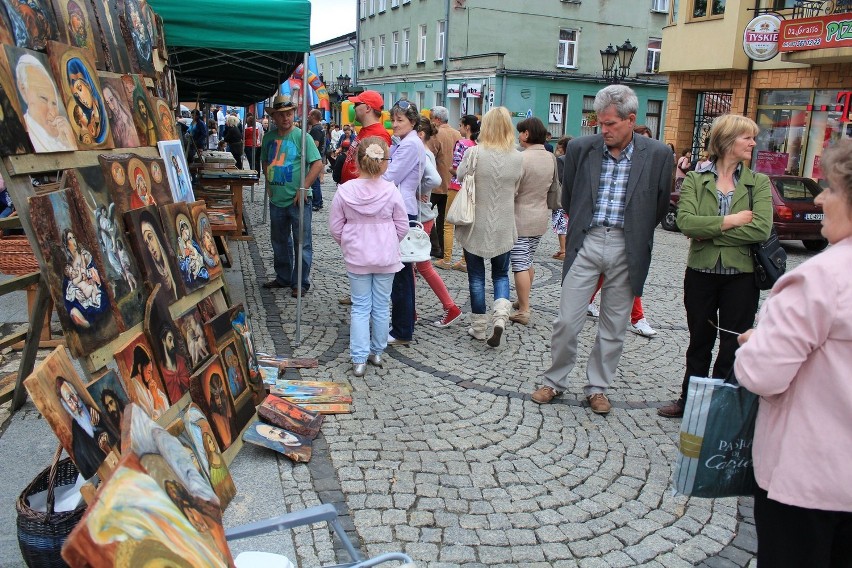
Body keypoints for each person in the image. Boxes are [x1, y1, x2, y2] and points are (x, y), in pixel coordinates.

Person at [733, 138, 852, 567]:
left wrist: (754, 343)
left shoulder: (820, 279)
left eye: (832, 189)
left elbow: (763, 375)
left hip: (810, 479)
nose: (820, 198)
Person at [531, 85, 673, 415]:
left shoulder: (657, 154)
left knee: (614, 325)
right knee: (567, 320)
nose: (603, 130)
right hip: (588, 241)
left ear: (631, 120)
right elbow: (569, 199)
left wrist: (636, 233)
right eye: (600, 123)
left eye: (610, 124)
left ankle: (597, 387)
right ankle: (554, 380)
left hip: (628, 244)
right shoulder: (582, 149)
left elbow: (659, 202)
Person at [657, 114, 772, 418]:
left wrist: (707, 232)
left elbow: (760, 229)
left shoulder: (757, 182)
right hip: (701, 274)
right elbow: (685, 222)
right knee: (699, 341)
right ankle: (688, 400)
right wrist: (731, 221)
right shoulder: (696, 178)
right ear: (727, 140)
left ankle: (721, 405)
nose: (753, 143)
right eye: (747, 137)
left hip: (742, 277)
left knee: (732, 343)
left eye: (753, 137)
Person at [329, 136, 408, 376]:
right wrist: (388, 239)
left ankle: (359, 358)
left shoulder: (345, 191)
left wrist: (349, 242)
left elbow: (335, 227)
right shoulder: (391, 191)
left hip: (357, 256)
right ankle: (376, 351)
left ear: (356, 161)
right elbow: (402, 225)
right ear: (384, 163)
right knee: (382, 305)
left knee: (360, 306)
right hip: (385, 256)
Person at [455, 107, 523, 348]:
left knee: (476, 276)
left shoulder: (473, 153)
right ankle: (501, 318)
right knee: (501, 274)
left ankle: (479, 326)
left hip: (475, 222)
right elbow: (517, 188)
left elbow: (461, 176)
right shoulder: (517, 157)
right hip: (504, 224)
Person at [259, 95, 323, 296]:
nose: (286, 118)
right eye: (281, 115)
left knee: (301, 241)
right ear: (274, 117)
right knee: (279, 240)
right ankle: (284, 277)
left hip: (299, 199)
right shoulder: (269, 138)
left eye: (289, 113)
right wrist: (268, 184)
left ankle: (300, 282)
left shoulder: (303, 137)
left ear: (293, 114)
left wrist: (303, 187)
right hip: (277, 198)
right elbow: (264, 161)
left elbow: (318, 164)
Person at [381, 100, 430, 345]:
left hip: (402, 210)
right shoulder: (405, 143)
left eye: (401, 120)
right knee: (402, 272)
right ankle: (403, 322)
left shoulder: (410, 144)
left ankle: (402, 329)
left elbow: (391, 175)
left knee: (400, 273)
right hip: (401, 207)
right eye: (394, 119)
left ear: (412, 122)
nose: (395, 124)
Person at [509, 116, 560, 326]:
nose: (519, 136)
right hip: (540, 215)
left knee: (519, 263)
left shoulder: (521, 158)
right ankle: (523, 300)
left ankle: (524, 310)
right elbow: (554, 187)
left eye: (521, 132)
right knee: (528, 260)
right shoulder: (551, 157)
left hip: (520, 216)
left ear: (527, 134)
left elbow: (513, 188)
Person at [414, 117, 463, 327]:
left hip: (421, 217)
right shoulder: (424, 152)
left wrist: (419, 191)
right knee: (415, 268)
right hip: (422, 216)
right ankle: (411, 311)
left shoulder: (423, 153)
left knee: (421, 267)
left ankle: (450, 307)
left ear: (420, 134)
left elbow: (433, 180)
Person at [436, 114, 478, 271]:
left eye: (460, 125)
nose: (459, 128)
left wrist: (450, 170)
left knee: (448, 223)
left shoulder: (461, 144)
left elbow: (456, 167)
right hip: (472, 188)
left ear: (467, 127)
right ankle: (464, 261)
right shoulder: (478, 144)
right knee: (468, 224)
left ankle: (446, 259)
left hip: (456, 186)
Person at [15, 53, 77, 152]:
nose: (53, 112)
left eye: (54, 103)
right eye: (43, 98)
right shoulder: (19, 134)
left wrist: (71, 145)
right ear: (23, 90)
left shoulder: (63, 138)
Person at [56, 377, 115, 479]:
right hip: (104, 474)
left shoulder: (93, 411)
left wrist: (100, 429)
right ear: (66, 406)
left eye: (73, 395)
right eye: (69, 400)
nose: (75, 402)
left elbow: (115, 434)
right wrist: (100, 443)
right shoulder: (77, 433)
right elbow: (88, 462)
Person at [426, 106, 461, 260]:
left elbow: (429, 156)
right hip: (452, 183)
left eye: (431, 117)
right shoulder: (457, 133)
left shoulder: (436, 134)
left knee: (425, 213)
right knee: (444, 219)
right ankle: (442, 249)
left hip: (435, 184)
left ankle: (435, 246)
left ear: (437, 120)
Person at [339, 91, 391, 184]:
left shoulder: (378, 134)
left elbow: (378, 169)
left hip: (362, 192)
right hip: (354, 189)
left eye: (357, 104)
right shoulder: (365, 130)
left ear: (367, 108)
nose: (354, 107)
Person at [128, 344, 169, 419]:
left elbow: (166, 406)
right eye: (149, 372)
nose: (151, 377)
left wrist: (156, 395)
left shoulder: (146, 385)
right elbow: (153, 421)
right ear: (140, 368)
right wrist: (155, 399)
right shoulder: (135, 389)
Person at [550, 136, 571, 261]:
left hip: (562, 197)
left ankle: (563, 250)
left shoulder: (561, 160)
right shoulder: (578, 158)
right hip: (573, 197)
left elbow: (560, 178)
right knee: (567, 224)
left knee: (561, 224)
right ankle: (565, 249)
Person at [158, 324, 190, 403]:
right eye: (169, 339)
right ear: (163, 341)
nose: (173, 344)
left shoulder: (181, 361)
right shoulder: (161, 372)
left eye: (173, 340)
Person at [307, 109, 326, 211]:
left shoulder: (316, 129)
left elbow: (315, 144)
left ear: (314, 116)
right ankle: (319, 201)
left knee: (314, 181)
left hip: (315, 157)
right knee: (316, 180)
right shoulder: (320, 128)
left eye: (309, 115)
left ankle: (317, 202)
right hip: (319, 156)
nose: (308, 117)